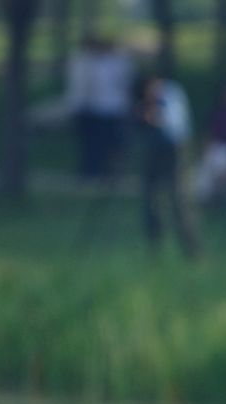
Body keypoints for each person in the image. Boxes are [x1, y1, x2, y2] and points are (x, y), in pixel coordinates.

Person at [134, 73, 200, 258]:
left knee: (180, 201)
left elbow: (177, 126)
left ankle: (192, 251)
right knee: (152, 202)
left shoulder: (171, 94)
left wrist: (155, 118)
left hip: (175, 152)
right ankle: (155, 249)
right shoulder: (147, 101)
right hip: (154, 153)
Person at [67, 36, 134, 179]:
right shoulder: (90, 62)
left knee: (111, 144)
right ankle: (95, 171)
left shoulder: (115, 63)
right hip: (98, 108)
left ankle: (108, 172)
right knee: (95, 143)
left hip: (111, 108)